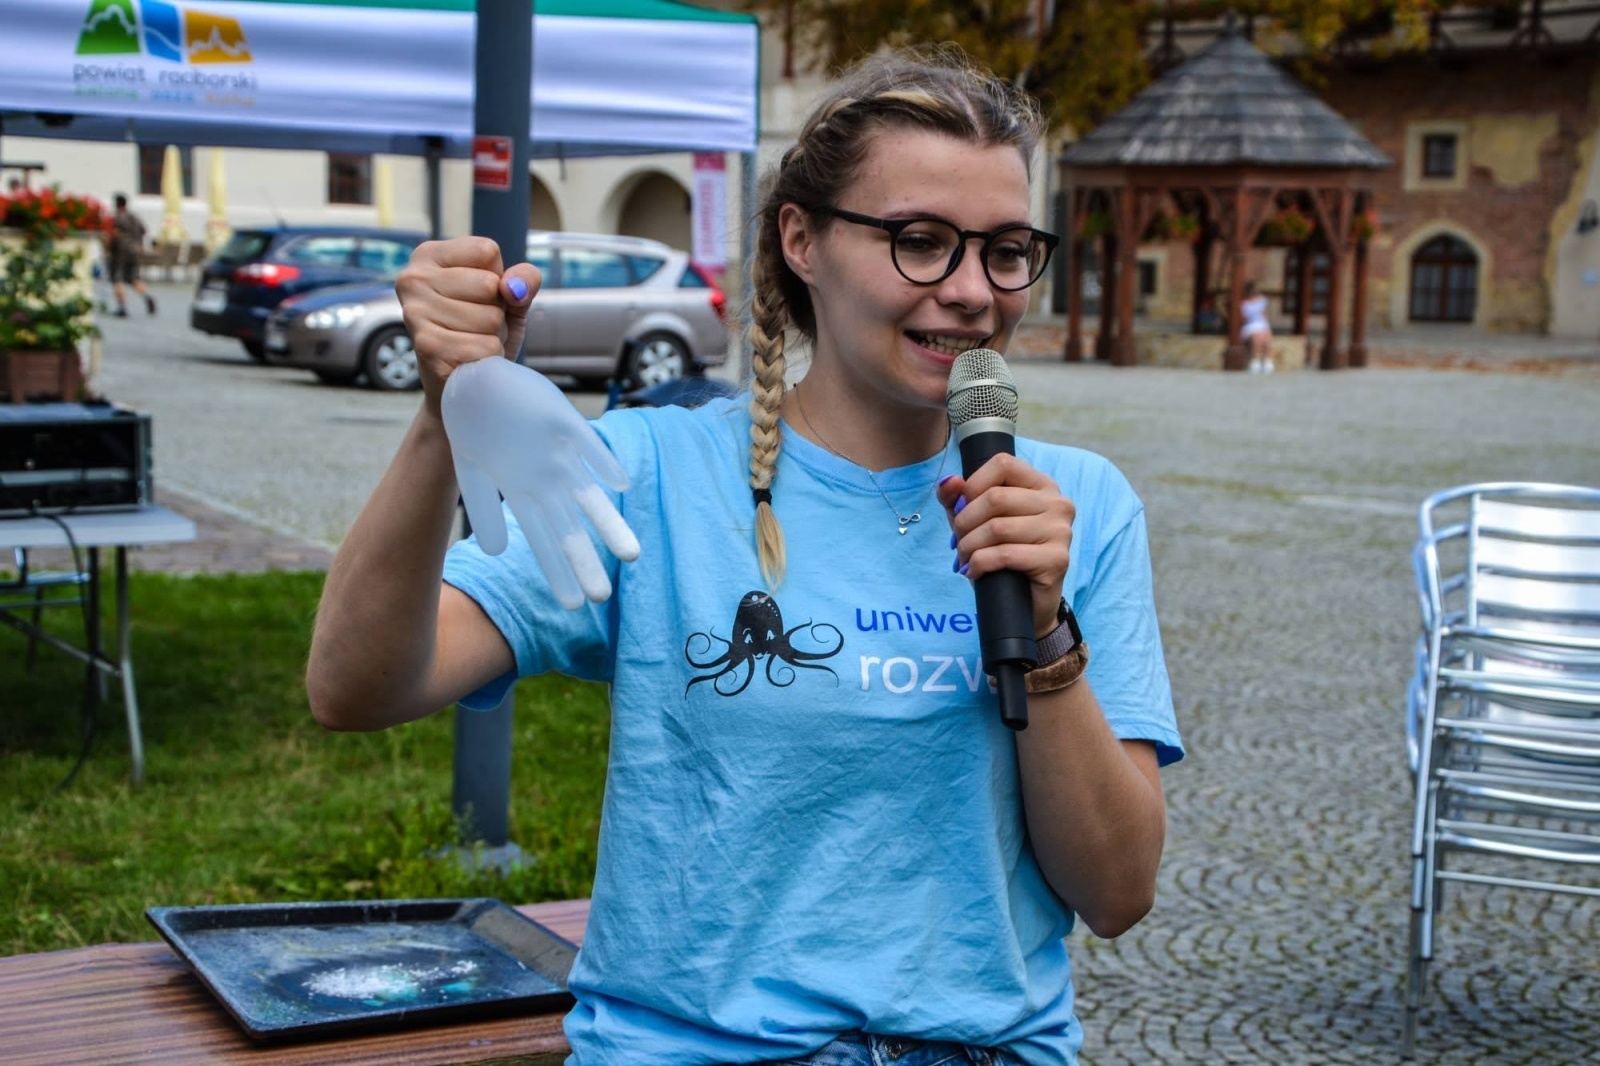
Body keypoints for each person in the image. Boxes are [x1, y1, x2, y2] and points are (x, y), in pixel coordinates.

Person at [307, 48, 1182, 1066]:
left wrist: (1044, 632)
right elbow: (355, 685)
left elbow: (1116, 893)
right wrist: (441, 408)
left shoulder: (1079, 505)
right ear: (801, 239)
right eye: (920, 242)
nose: (972, 291)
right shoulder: (654, 473)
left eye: (1002, 250)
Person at [106, 193, 156, 317]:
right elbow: (144, 231)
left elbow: (113, 234)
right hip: (135, 251)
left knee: (117, 279)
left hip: (120, 252)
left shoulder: (116, 217)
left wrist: (108, 248)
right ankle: (147, 297)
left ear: (116, 204)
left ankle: (122, 307)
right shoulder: (134, 217)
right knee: (133, 278)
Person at [1238, 280, 1272, 373]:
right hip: (1249, 326)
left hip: (1261, 324)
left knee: (1266, 336)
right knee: (1256, 338)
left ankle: (1267, 360)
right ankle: (1255, 361)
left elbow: (1265, 315)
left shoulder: (1262, 301)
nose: (1253, 294)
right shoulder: (1244, 304)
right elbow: (1243, 318)